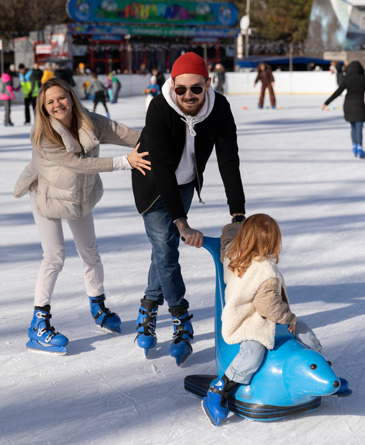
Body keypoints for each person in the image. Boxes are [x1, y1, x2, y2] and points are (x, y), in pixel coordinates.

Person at [13, 78, 151, 355]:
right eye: (50, 102)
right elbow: (78, 164)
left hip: (78, 195)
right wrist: (125, 162)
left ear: (71, 97)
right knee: (54, 256)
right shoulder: (43, 135)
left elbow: (123, 133)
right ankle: (38, 325)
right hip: (46, 194)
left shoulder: (89, 121)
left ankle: (97, 305)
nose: (57, 105)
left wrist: (159, 137)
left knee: (90, 251)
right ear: (43, 108)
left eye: (61, 98)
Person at [131, 52, 245, 365]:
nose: (188, 95)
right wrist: (182, 223)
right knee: (167, 249)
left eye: (196, 88)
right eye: (181, 89)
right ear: (172, 85)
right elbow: (163, 169)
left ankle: (149, 304)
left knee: (162, 249)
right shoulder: (159, 108)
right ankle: (181, 317)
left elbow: (228, 159)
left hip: (184, 184)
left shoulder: (218, 107)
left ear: (208, 84)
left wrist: (238, 213)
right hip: (153, 185)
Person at [202, 214, 327, 426]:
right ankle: (220, 388)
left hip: (255, 313)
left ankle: (322, 372)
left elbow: (228, 238)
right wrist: (289, 318)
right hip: (250, 319)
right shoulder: (265, 270)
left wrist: (234, 225)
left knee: (305, 335)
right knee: (255, 350)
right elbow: (267, 306)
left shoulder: (232, 249)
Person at [321, 60, 365, 159]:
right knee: (358, 128)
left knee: (353, 127)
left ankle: (354, 146)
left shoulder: (347, 79)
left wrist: (326, 103)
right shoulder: (363, 79)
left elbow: (337, 92)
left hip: (348, 106)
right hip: (360, 106)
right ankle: (360, 148)